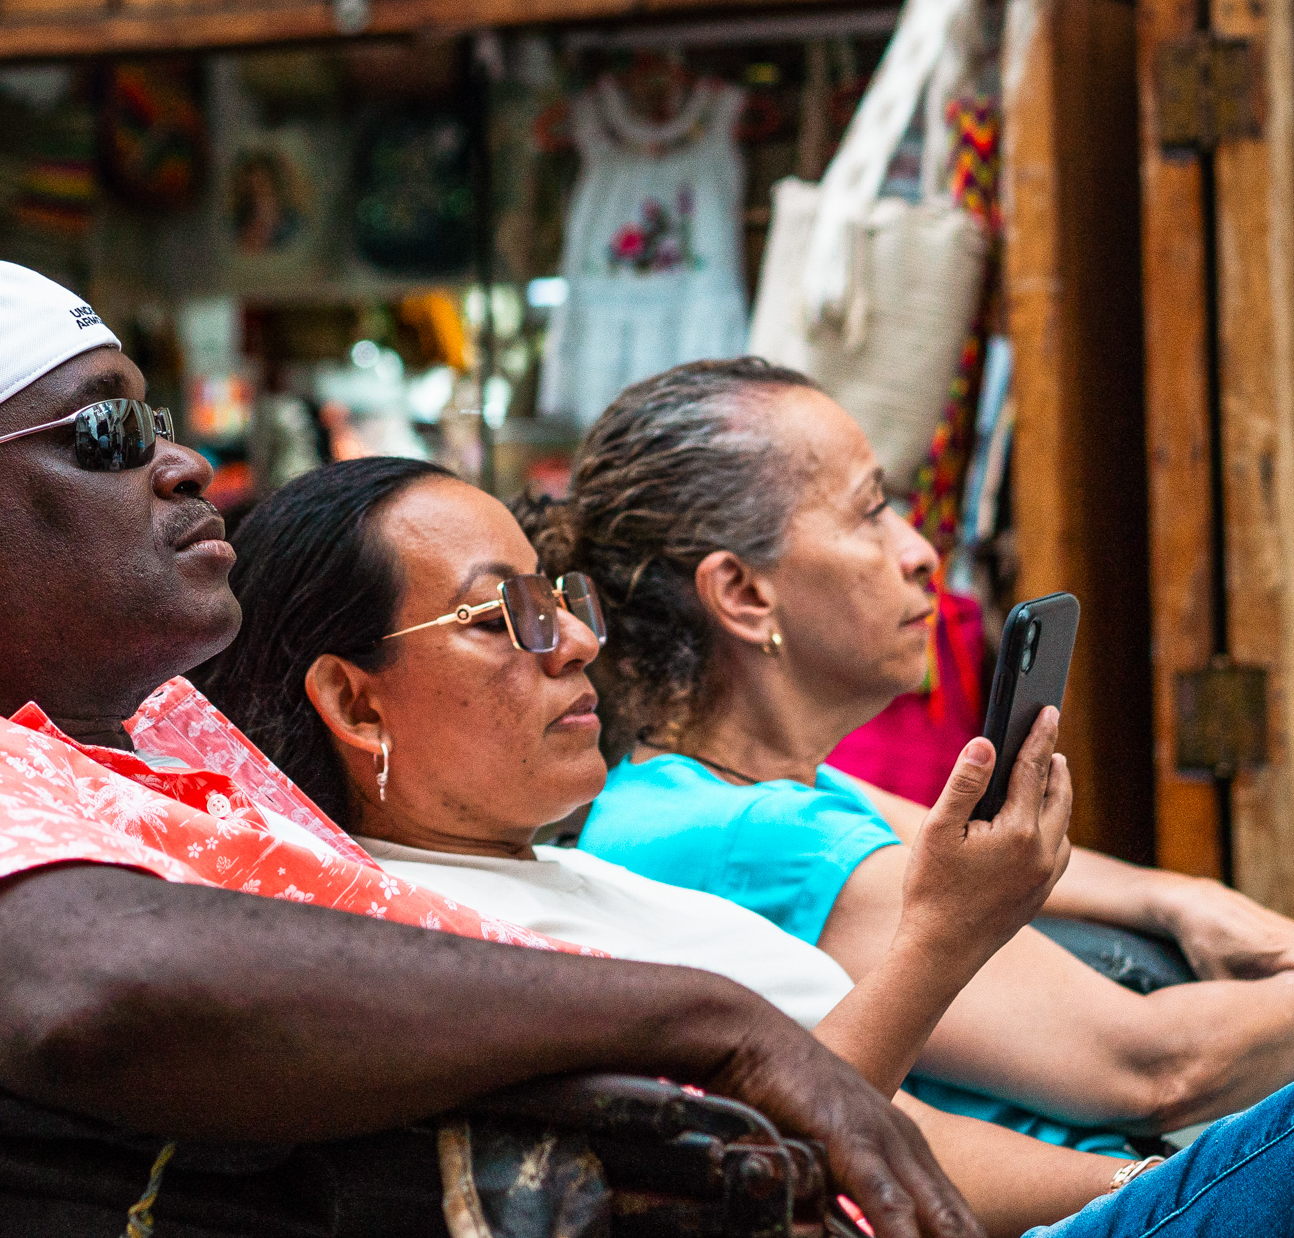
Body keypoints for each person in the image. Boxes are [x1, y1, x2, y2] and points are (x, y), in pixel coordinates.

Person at [0, 259, 971, 1238]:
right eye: (109, 436)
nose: (186, 462)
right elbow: (85, 989)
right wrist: (709, 1024)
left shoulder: (137, 742)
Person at [196, 454, 1294, 1238]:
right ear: (356, 702)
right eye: (503, 619)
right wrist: (948, 941)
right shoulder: (429, 936)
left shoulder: (569, 856)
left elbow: (904, 1137)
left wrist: (1151, 1173)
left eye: (559, 599)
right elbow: (737, 1182)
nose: (576, 640)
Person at [521, 356, 1294, 1152]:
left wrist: (1182, 899)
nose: (920, 550)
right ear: (745, 594)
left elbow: (940, 842)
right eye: (872, 512)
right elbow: (1158, 1065)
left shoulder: (706, 790)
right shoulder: (757, 834)